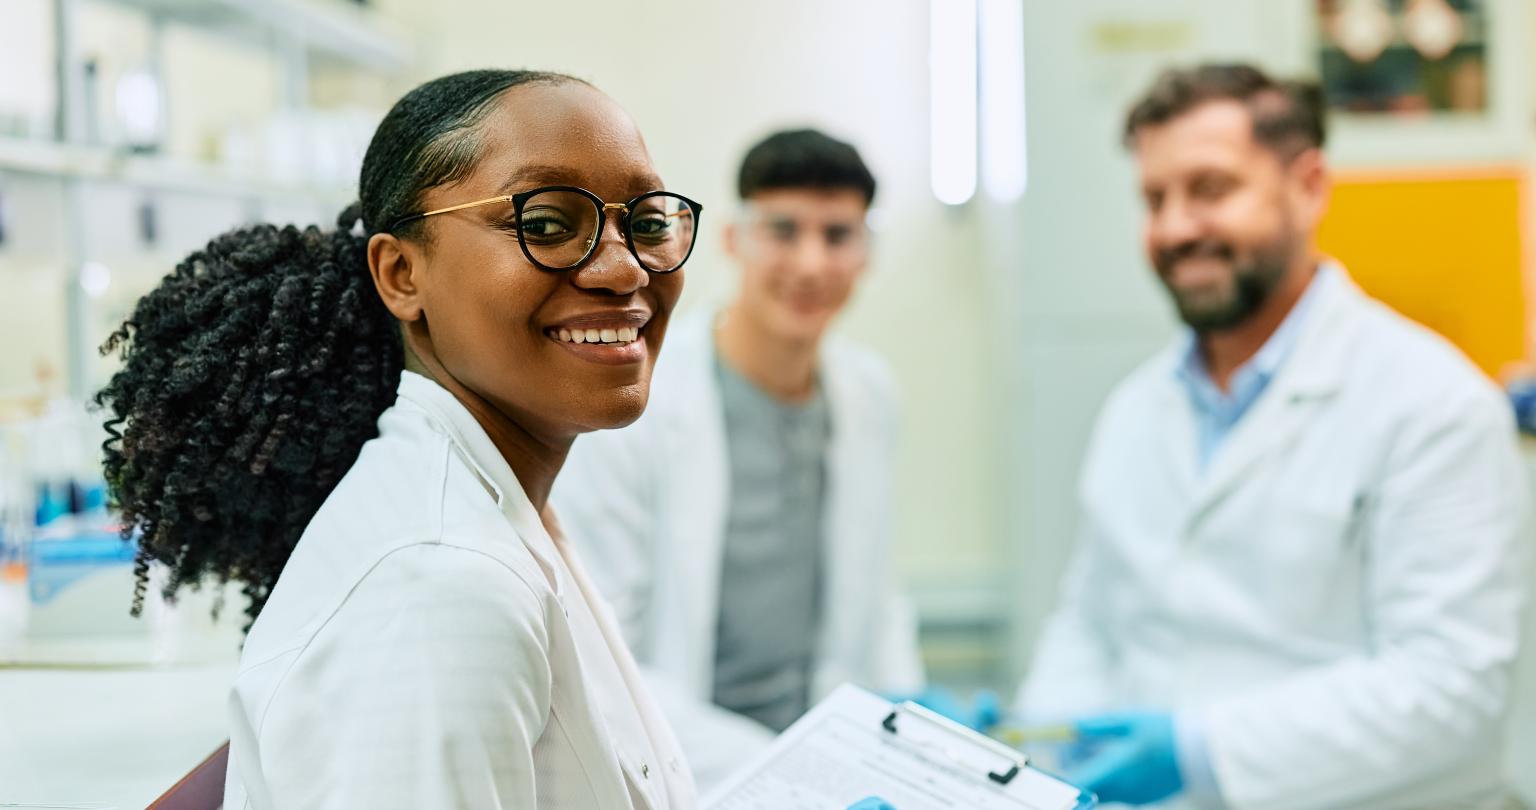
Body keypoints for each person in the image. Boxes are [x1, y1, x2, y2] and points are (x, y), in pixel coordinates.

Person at [95, 69, 704, 809]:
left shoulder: (500, 509)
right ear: (400, 272)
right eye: (545, 223)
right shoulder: (441, 587)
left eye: (645, 224)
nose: (624, 267)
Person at [1018, 64, 1530, 809]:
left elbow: (1451, 686)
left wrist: (1198, 748)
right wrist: (1026, 747)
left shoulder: (1434, 405)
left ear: (1309, 187)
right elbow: (1090, 624)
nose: (1173, 229)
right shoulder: (1135, 410)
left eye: (1210, 190)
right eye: (1154, 199)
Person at [552, 128, 923, 786]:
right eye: (783, 230)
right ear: (732, 241)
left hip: (832, 756)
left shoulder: (869, 395)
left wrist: (907, 709)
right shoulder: (639, 405)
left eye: (837, 235)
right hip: (682, 767)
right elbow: (606, 660)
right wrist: (800, 774)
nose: (811, 264)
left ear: (865, 252)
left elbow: (875, 588)